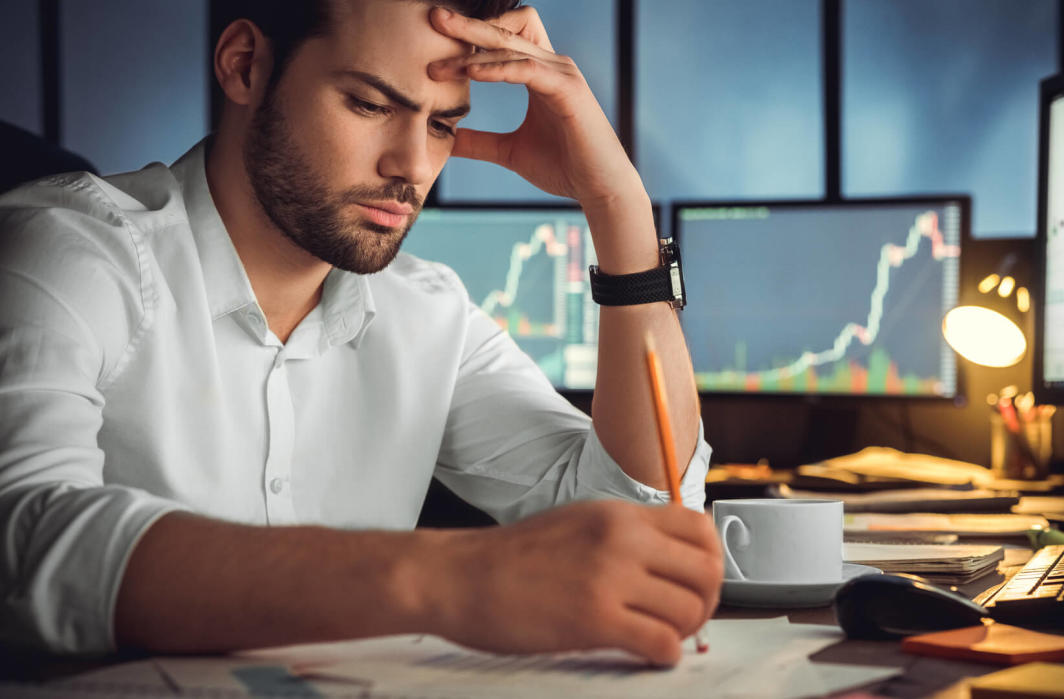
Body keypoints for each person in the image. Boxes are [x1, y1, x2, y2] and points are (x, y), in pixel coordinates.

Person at [0, 0, 722, 666]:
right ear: (245, 65)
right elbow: (24, 545)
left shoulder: (428, 313)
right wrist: (447, 579)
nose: (412, 167)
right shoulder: (68, 252)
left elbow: (638, 520)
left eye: (442, 124)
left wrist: (618, 205)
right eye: (371, 103)